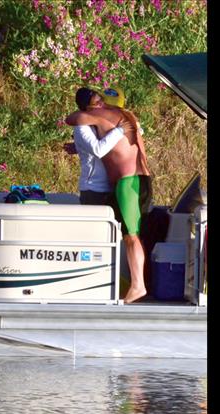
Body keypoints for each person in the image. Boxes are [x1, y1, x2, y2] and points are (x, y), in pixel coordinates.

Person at [65, 86, 152, 304]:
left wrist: (83, 114)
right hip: (141, 181)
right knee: (133, 234)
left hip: (127, 183)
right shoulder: (128, 117)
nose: (100, 104)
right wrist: (78, 146)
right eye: (98, 100)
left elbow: (72, 119)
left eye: (101, 101)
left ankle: (138, 286)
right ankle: (136, 283)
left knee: (130, 236)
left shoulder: (98, 116)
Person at [63, 94, 127, 206]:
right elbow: (98, 150)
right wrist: (120, 131)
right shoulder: (81, 127)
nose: (102, 105)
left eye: (102, 101)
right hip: (93, 190)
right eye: (97, 103)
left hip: (112, 187)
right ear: (88, 108)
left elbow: (138, 131)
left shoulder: (101, 121)